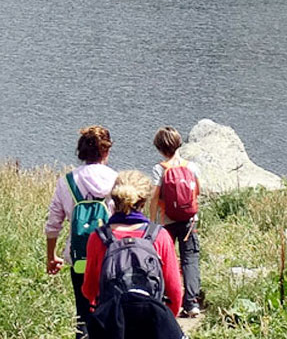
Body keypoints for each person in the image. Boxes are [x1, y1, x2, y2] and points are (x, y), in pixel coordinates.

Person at [82, 171, 185, 339]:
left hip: (112, 327)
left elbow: (89, 290)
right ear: (143, 202)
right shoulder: (159, 236)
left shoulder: (98, 237)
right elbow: (175, 293)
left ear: (114, 199)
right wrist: (162, 320)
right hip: (151, 324)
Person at [46, 126, 118, 338]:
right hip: (110, 258)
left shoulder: (66, 182)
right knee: (111, 312)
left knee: (83, 315)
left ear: (81, 152)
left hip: (79, 257)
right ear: (106, 150)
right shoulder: (117, 180)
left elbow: (53, 224)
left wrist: (51, 257)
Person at [148, 127, 203, 317]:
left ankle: (167, 301)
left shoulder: (159, 169)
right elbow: (198, 191)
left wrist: (152, 222)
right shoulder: (191, 167)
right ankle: (192, 303)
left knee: (165, 261)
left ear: (159, 148)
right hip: (189, 221)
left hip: (166, 223)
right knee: (190, 260)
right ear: (179, 144)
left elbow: (154, 198)